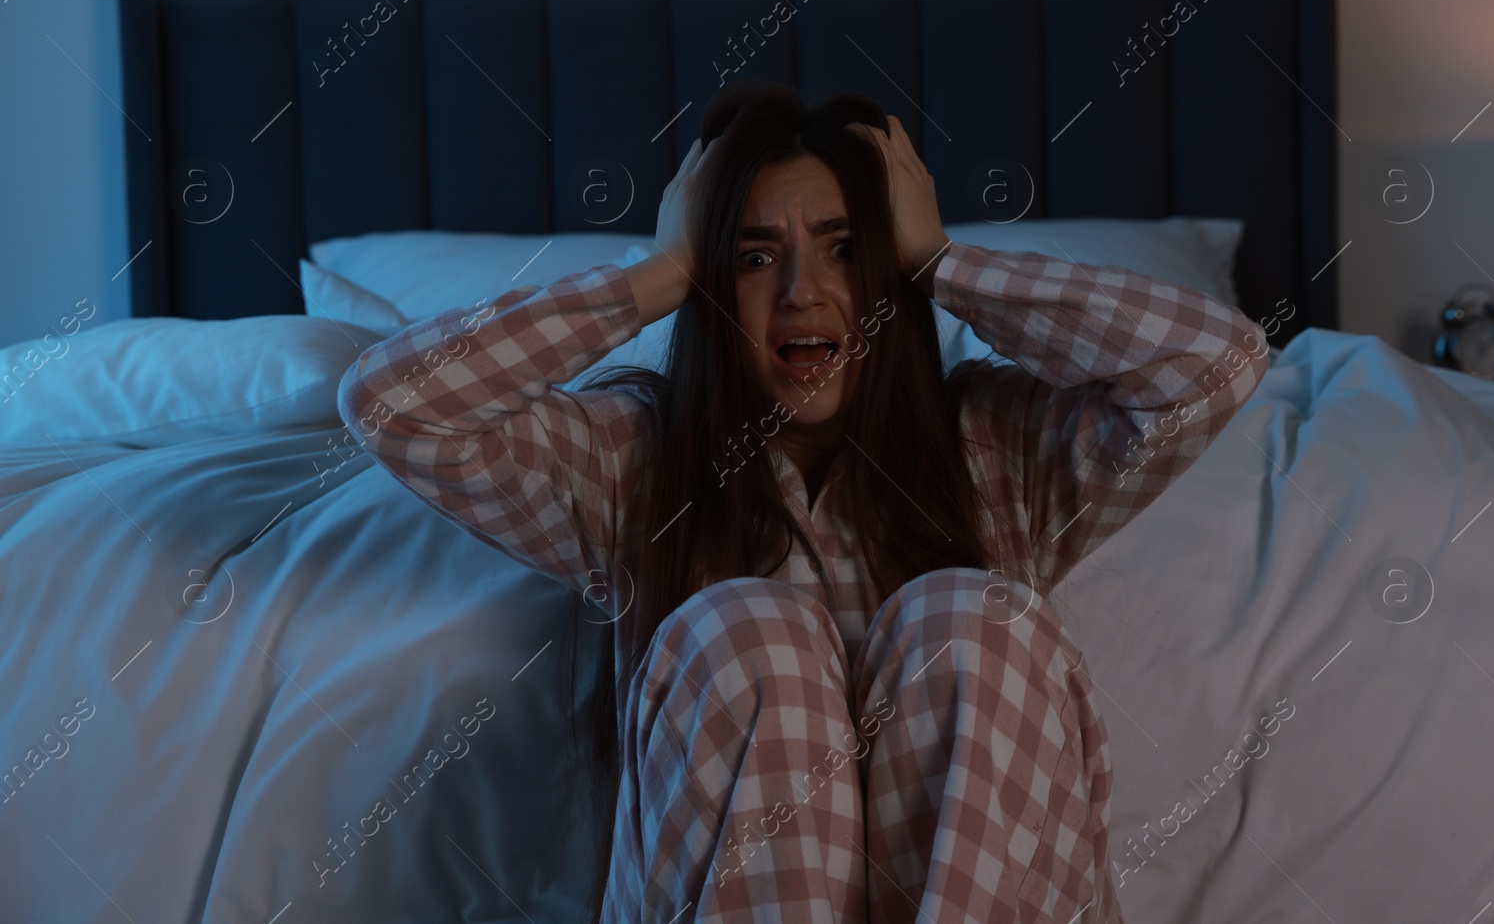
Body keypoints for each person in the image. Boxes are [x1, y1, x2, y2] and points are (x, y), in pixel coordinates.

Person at [337, 81, 1270, 923]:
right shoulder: (633, 460)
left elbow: (1216, 365)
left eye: (846, 250)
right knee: (751, 629)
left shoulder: (1000, 446)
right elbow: (397, 406)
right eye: (752, 257)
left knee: (973, 621)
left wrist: (944, 261)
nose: (803, 292)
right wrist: (662, 272)